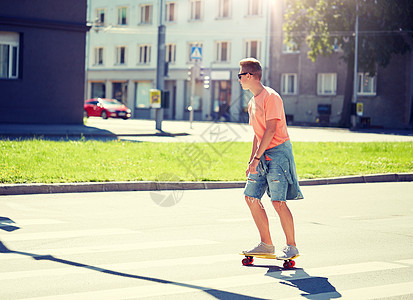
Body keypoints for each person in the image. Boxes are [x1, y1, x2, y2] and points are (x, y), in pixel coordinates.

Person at [239, 57, 303, 259]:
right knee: (251, 197)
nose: (239, 79)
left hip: (278, 153)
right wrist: (252, 161)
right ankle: (266, 244)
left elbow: (271, 129)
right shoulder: (252, 102)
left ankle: (291, 246)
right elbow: (257, 135)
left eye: (240, 75)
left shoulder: (271, 97)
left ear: (250, 76)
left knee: (278, 201)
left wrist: (257, 158)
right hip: (261, 154)